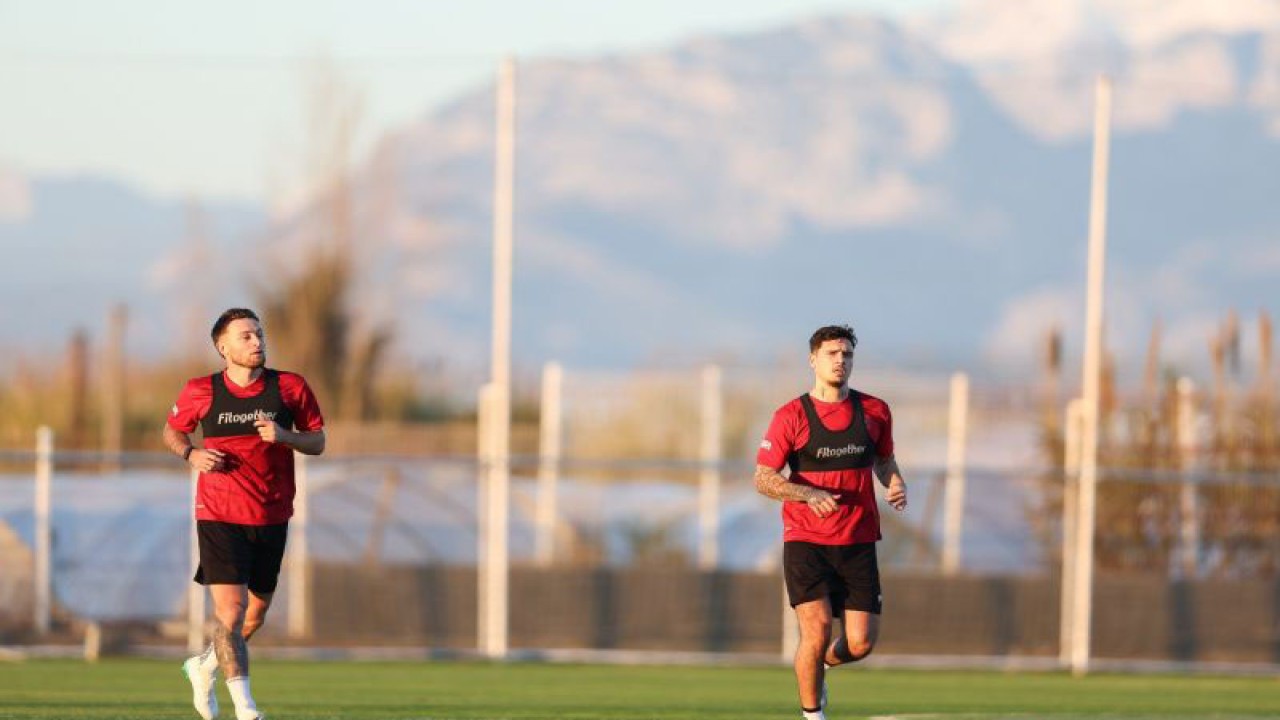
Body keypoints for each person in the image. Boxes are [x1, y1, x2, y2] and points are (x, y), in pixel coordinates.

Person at [164, 308, 326, 720]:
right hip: (218, 512)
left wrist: (285, 436)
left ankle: (203, 666)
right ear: (223, 347)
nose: (257, 343)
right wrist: (191, 453)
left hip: (272, 512)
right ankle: (246, 709)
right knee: (230, 612)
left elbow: (318, 441)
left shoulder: (290, 387)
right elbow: (173, 430)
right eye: (246, 337)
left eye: (259, 335)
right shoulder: (201, 390)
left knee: (255, 615)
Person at [754, 324, 907, 720]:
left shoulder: (875, 411)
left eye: (847, 355)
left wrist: (894, 482)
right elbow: (763, 478)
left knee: (859, 644)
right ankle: (812, 714)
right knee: (817, 628)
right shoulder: (791, 416)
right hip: (807, 540)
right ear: (813, 360)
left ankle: (816, 668)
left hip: (858, 540)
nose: (840, 361)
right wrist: (808, 493)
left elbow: (884, 459)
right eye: (832, 354)